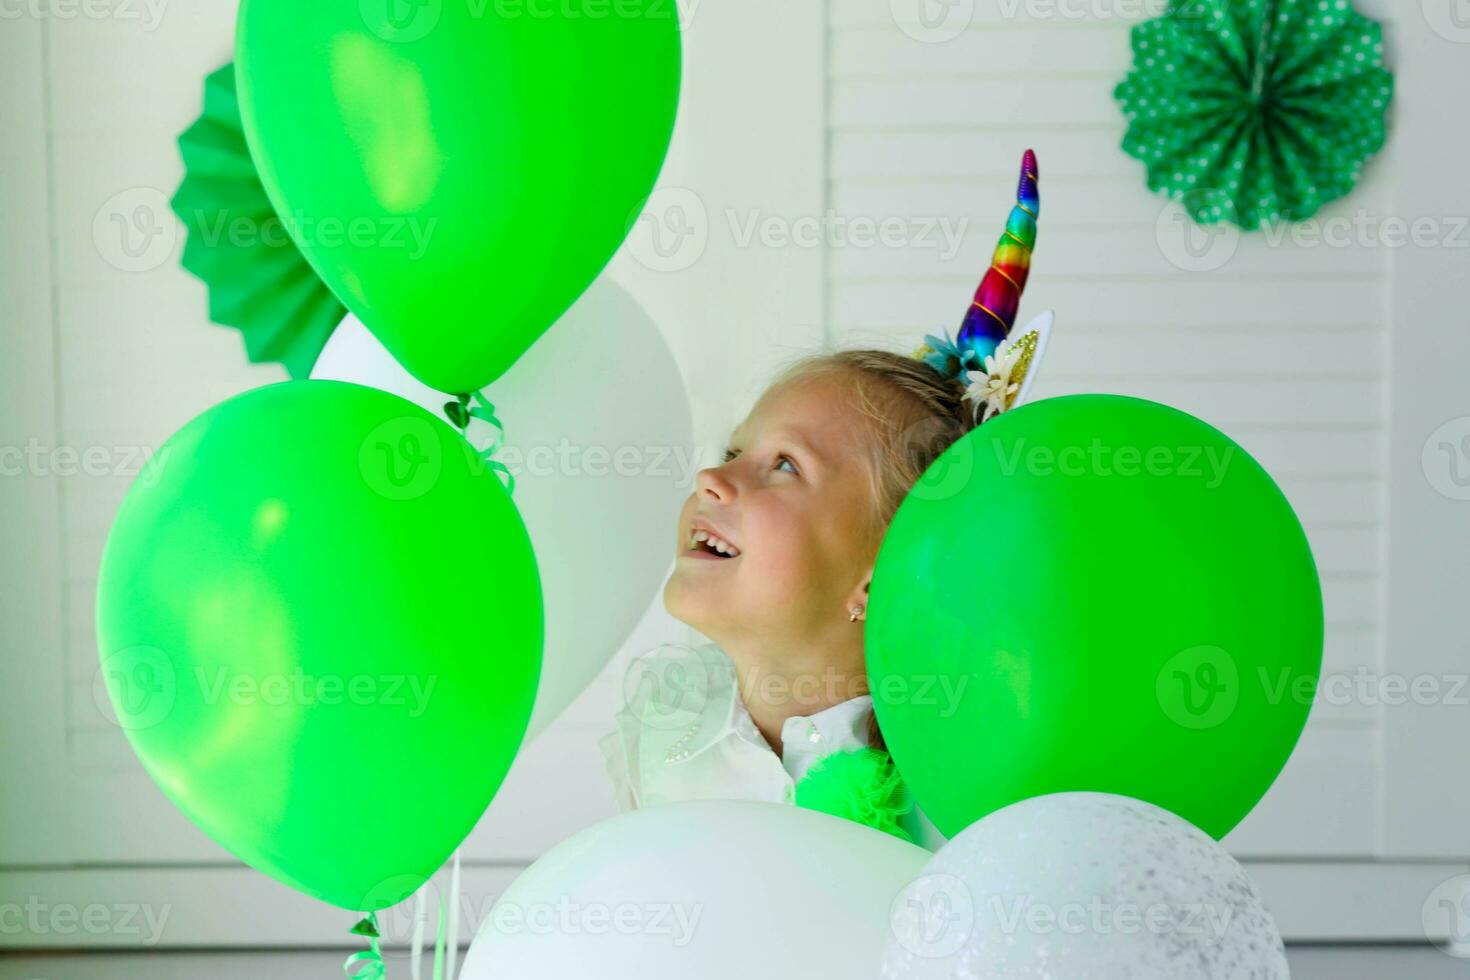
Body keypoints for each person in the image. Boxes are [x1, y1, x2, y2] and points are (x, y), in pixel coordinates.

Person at [598, 150, 1051, 851]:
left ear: (875, 578)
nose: (712, 481)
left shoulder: (959, 788)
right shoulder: (663, 744)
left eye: (784, 465)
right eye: (732, 453)